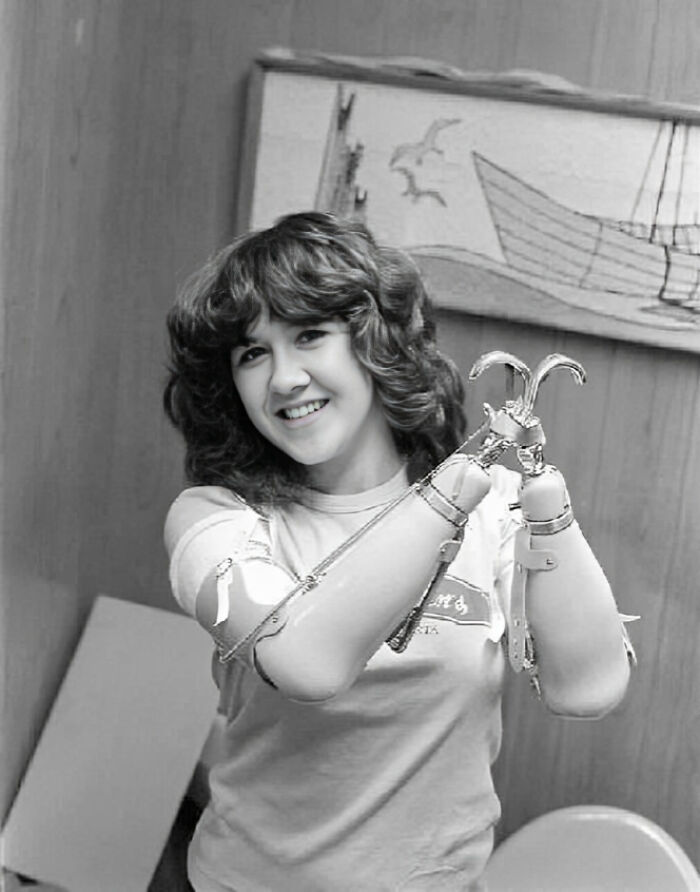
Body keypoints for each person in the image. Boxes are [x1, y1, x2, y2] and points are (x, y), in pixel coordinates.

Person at [163, 211, 633, 892]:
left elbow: (588, 686)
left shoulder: (495, 510)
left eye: (310, 335)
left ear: (376, 342)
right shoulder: (217, 521)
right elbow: (307, 662)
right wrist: (451, 494)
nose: (284, 378)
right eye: (251, 354)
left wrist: (544, 503)